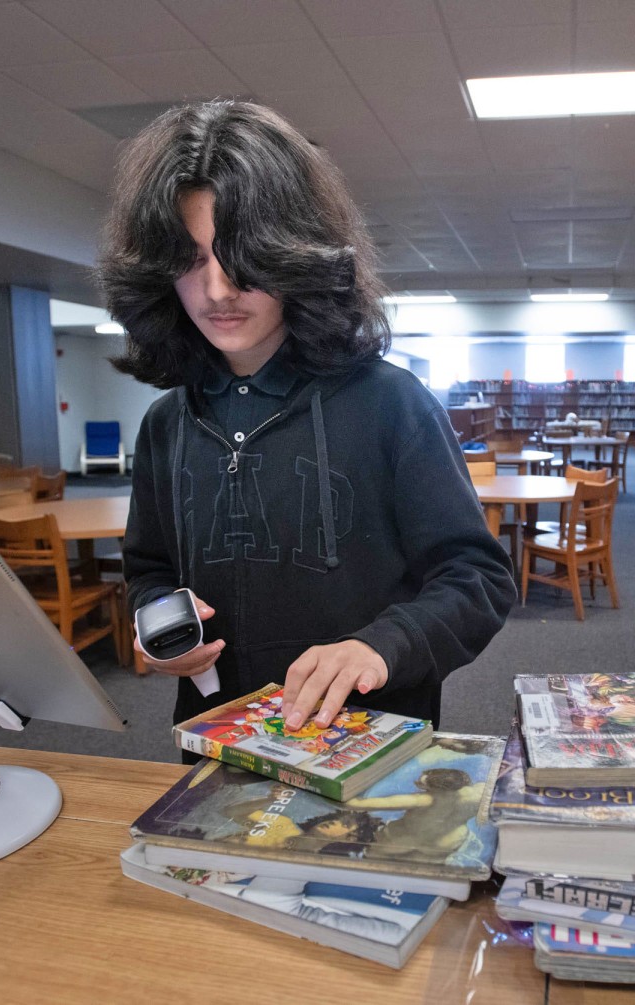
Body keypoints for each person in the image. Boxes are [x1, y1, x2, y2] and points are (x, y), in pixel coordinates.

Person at [98, 100, 515, 741]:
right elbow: (150, 573)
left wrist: (382, 646)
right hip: (217, 742)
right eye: (190, 258)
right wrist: (159, 626)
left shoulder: (392, 404)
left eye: (242, 255)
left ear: (295, 254)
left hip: (370, 746)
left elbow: (478, 578)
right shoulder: (166, 424)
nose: (217, 290)